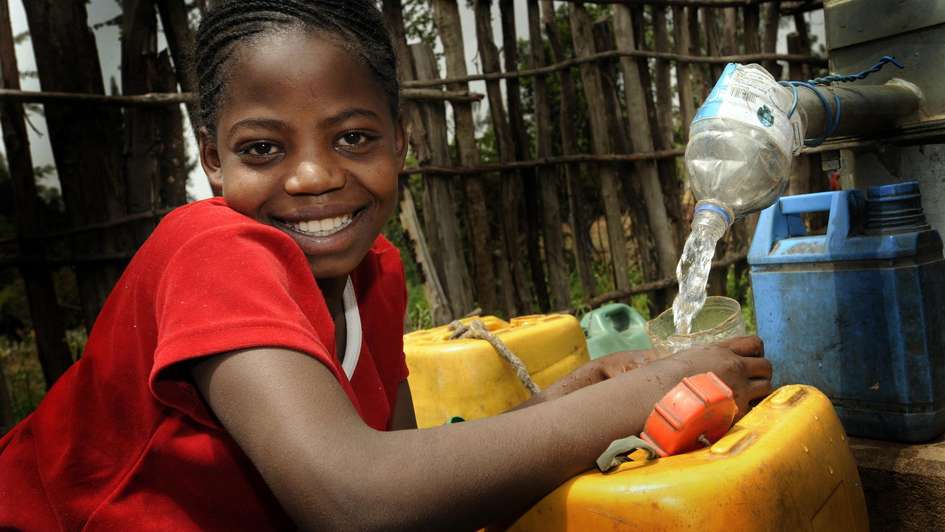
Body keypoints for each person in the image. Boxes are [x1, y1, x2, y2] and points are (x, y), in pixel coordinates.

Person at [0, 1, 772, 530]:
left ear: (401, 139)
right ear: (212, 161)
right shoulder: (212, 252)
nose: (312, 177)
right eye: (263, 148)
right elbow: (352, 500)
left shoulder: (373, 274)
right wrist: (643, 393)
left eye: (353, 137)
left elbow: (404, 480)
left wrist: (568, 397)